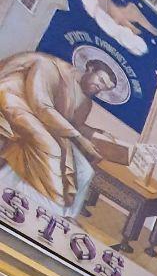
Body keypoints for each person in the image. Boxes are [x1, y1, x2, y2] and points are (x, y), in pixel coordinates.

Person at [0, 51, 118, 212]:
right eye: (101, 80)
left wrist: (97, 134)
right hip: (17, 102)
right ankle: (41, 205)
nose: (100, 88)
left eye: (105, 88)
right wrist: (80, 138)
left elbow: (74, 125)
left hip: (47, 123)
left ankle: (64, 215)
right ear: (90, 68)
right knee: (52, 149)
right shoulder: (50, 67)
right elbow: (41, 106)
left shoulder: (86, 102)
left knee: (84, 170)